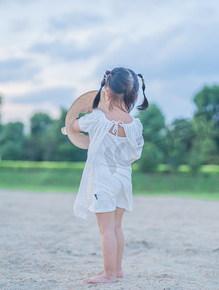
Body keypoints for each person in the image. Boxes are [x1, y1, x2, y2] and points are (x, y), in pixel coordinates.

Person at [72, 67, 148, 284]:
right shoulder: (136, 125)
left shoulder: (96, 120)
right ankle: (117, 269)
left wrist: (77, 126)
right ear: (134, 95)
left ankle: (109, 274)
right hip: (123, 180)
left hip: (103, 181)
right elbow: (135, 153)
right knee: (116, 227)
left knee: (106, 230)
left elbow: (74, 125)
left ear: (106, 91)